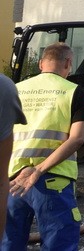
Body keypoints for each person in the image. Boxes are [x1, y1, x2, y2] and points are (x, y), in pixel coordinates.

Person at [3, 42, 84, 250]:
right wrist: (38, 170)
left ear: (41, 63)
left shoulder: (16, 89)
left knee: (8, 242)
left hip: (13, 180)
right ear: (68, 62)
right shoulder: (74, 92)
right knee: (59, 243)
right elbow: (77, 139)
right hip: (53, 180)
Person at [0, 75, 26, 241]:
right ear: (68, 63)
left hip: (18, 175)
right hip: (46, 175)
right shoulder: (4, 88)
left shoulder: (15, 86)